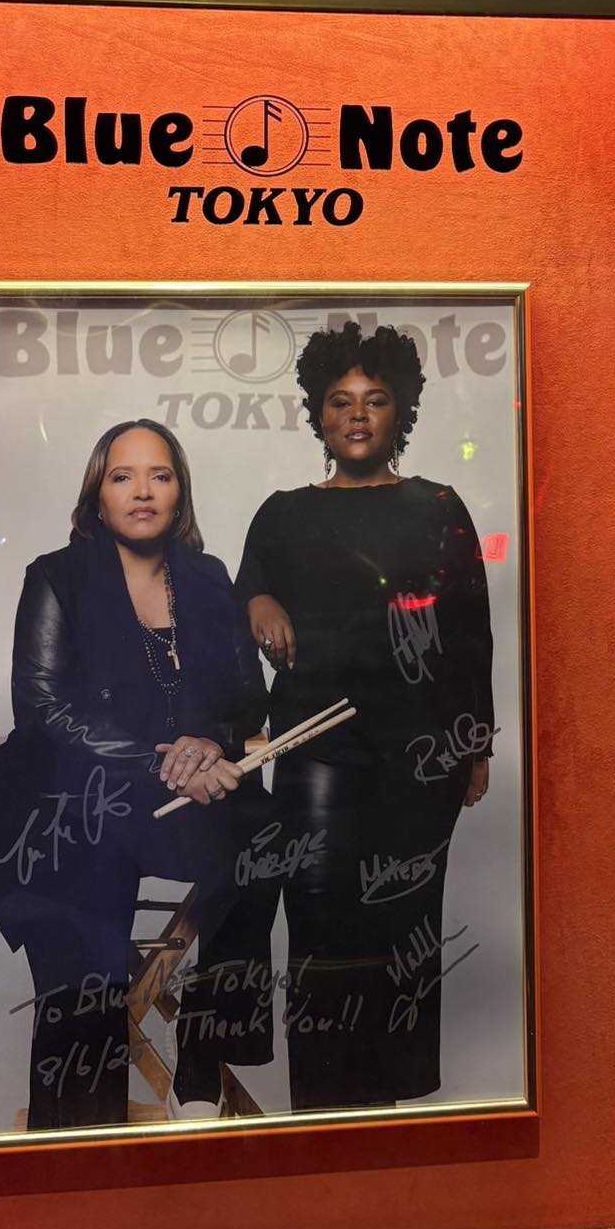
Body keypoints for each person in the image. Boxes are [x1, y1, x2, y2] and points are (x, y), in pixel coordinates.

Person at [0, 418, 277, 1131]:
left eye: (159, 476)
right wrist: (165, 761)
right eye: (122, 476)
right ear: (97, 497)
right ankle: (78, 1122)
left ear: (179, 493)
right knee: (85, 890)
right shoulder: (57, 576)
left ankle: (202, 1055)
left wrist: (210, 741)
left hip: (180, 801)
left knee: (265, 834)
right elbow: (43, 708)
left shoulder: (207, 577)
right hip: (83, 800)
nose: (142, 492)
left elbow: (247, 698)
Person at [235, 320, 495, 1113]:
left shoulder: (438, 506)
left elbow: (470, 629)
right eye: (340, 401)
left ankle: (388, 1109)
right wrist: (259, 601)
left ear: (399, 412)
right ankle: (322, 1107)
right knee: (318, 920)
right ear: (317, 414)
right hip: (315, 746)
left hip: (420, 753)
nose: (356, 415)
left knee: (404, 919)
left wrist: (476, 744)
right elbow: (243, 591)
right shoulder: (283, 513)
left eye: (374, 400)